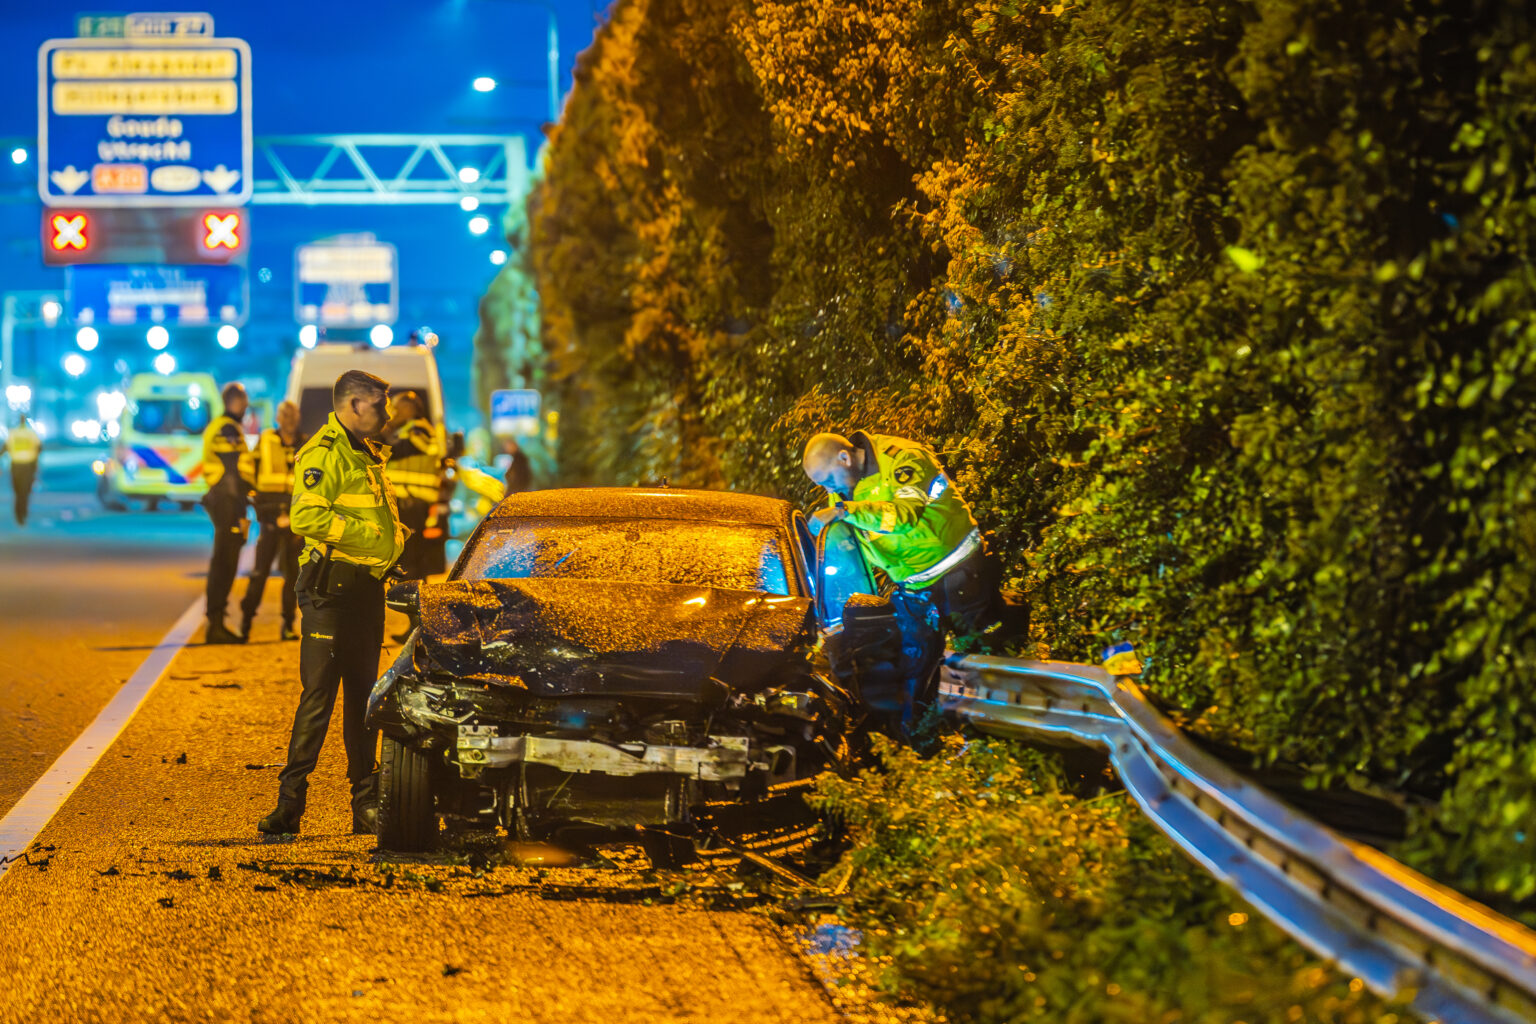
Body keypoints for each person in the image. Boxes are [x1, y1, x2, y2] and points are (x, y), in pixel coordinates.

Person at [258, 370, 405, 837]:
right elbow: (305, 514)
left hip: (365, 588)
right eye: (380, 405)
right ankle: (289, 806)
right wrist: (372, 539)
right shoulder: (324, 453)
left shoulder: (365, 453)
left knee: (364, 699)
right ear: (355, 405)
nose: (387, 414)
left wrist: (389, 549)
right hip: (330, 591)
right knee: (318, 697)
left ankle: (365, 806)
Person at [802, 430, 1003, 726]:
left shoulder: (902, 459)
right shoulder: (844, 486)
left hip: (957, 570)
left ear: (844, 458)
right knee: (913, 665)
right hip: (912, 584)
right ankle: (918, 744)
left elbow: (904, 516)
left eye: (828, 480)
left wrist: (844, 511)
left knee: (982, 654)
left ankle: (997, 731)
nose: (828, 489)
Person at [237, 400, 307, 641]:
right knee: (260, 574)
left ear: (297, 418)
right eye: (284, 415)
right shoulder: (266, 440)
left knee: (292, 577)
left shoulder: (306, 443)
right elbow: (249, 469)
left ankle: (288, 624)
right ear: (278, 418)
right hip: (268, 517)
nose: (288, 419)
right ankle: (245, 623)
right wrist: (253, 499)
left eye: (292, 415)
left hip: (295, 519)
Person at [200, 383, 251, 644]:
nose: (246, 407)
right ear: (234, 401)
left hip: (226, 499)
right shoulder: (226, 428)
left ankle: (216, 622)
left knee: (225, 561)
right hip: (227, 500)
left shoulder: (224, 427)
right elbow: (232, 470)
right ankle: (215, 624)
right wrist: (246, 496)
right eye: (244, 402)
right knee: (224, 563)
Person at [382, 391, 441, 581]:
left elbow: (397, 450)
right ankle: (415, 598)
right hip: (406, 500)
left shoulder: (419, 429)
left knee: (412, 553)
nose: (393, 413)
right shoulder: (406, 429)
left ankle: (416, 601)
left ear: (409, 409)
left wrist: (385, 430)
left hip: (414, 502)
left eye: (397, 409)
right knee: (409, 552)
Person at [5, 417, 41, 526]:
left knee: (17, 491)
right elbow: (39, 448)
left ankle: (18, 513)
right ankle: (23, 512)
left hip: (15, 465)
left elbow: (5, 448)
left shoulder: (13, 434)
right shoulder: (31, 434)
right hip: (28, 466)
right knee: (24, 491)